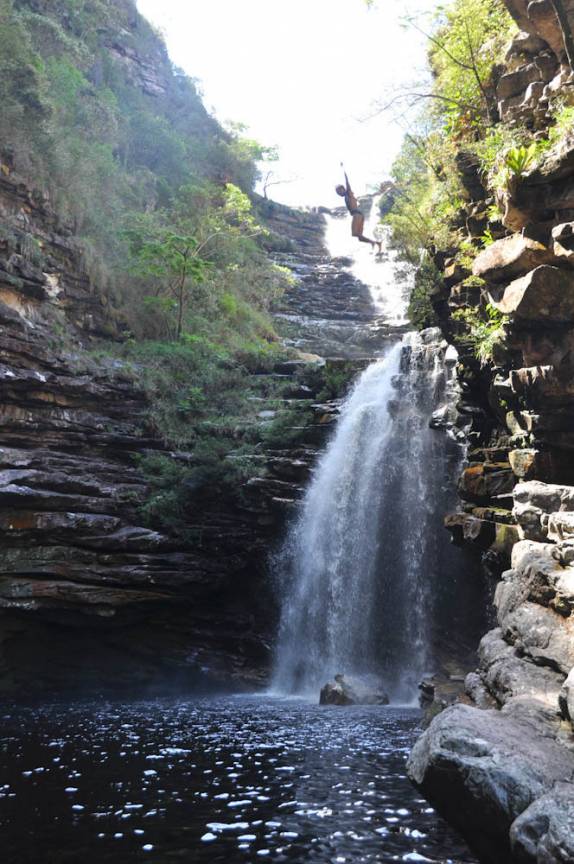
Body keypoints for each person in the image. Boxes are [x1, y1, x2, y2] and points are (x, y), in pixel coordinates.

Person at [335, 168, 382, 252]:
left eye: (339, 191)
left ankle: (372, 242)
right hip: (360, 215)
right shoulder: (348, 195)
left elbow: (347, 183)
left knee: (354, 234)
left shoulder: (348, 193)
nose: (339, 193)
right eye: (337, 193)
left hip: (356, 215)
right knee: (360, 237)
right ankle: (377, 243)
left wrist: (343, 170)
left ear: (343, 189)